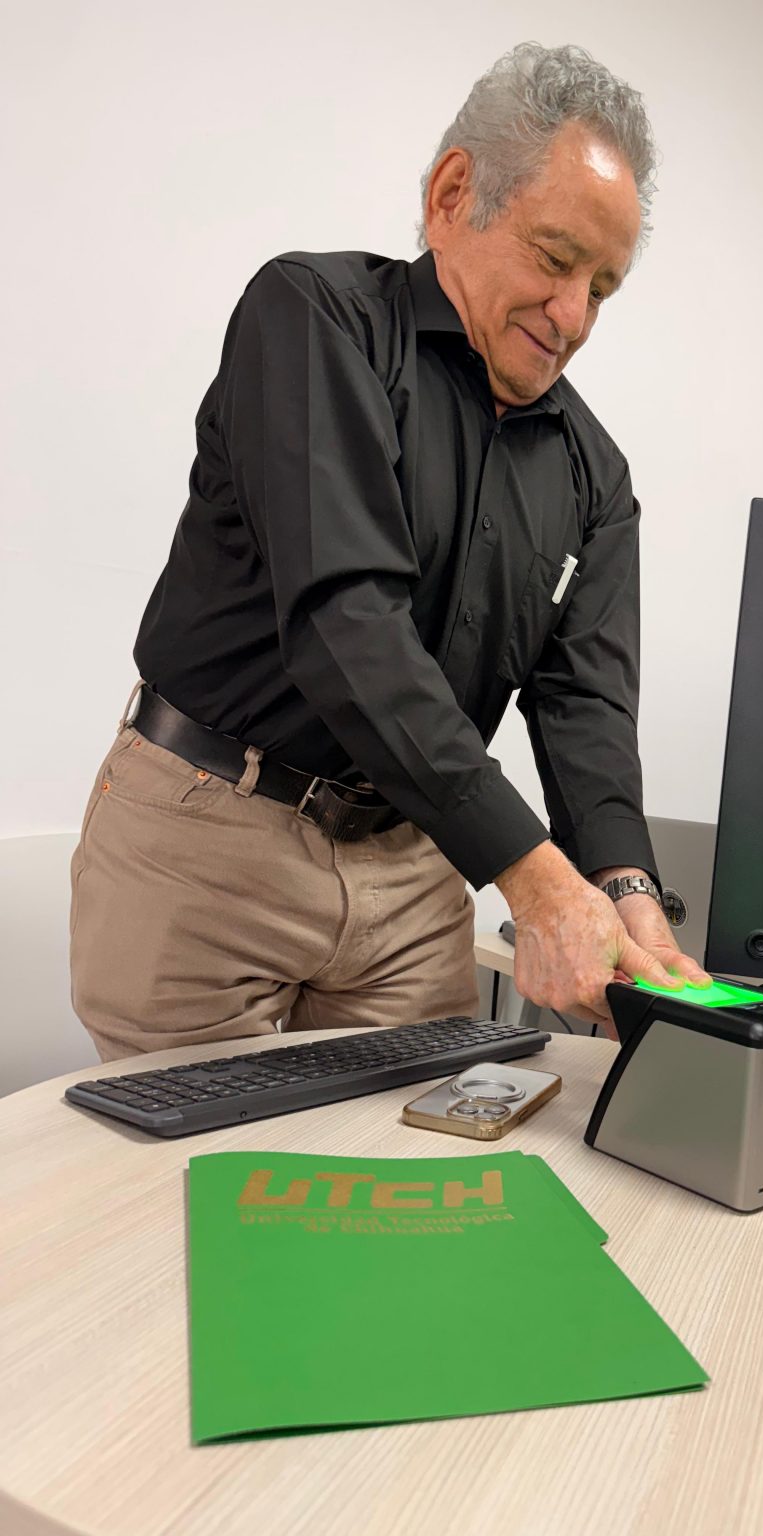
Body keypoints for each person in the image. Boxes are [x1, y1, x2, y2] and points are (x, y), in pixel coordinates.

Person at [70, 41, 710, 1063]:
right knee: (202, 1155)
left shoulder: (597, 477)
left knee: (413, 1154)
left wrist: (626, 893)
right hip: (211, 835)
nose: (574, 317)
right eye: (555, 260)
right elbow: (347, 622)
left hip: (414, 866)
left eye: (603, 288)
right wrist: (535, 879)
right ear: (454, 194)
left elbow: (585, 705)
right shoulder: (313, 317)